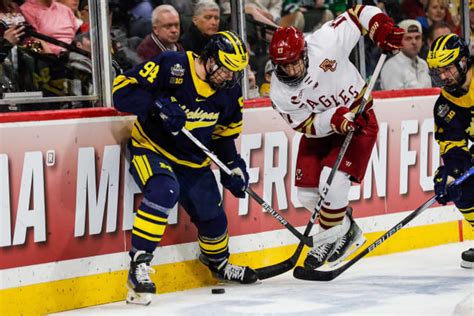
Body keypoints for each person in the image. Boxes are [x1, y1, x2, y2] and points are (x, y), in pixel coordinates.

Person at [112, 30, 259, 305]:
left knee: (213, 218)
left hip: (193, 161)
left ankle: (218, 264)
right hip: (152, 149)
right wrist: (157, 106)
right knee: (164, 190)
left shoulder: (229, 92)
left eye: (235, 71)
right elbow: (121, 92)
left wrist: (233, 168)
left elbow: (224, 137)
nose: (230, 76)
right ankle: (138, 267)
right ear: (210, 59)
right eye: (226, 69)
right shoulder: (173, 65)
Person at [268, 6, 404, 270]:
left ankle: (330, 240)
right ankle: (345, 230)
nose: (292, 70)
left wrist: (381, 29)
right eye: (284, 66)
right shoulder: (279, 91)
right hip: (323, 126)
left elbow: (358, 13)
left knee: (331, 182)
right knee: (307, 194)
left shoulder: (325, 42)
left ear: (305, 52)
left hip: (358, 119)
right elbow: (304, 123)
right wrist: (332, 119)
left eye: (295, 61)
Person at [426, 34, 474, 269]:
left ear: (463, 62)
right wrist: (452, 173)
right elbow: (453, 147)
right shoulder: (445, 106)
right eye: (438, 71)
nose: (443, 76)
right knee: (460, 184)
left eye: (447, 68)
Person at [380, 19, 431, 90]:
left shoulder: (423, 64)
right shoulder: (392, 66)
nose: (414, 42)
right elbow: (394, 100)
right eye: (408, 38)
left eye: (417, 37)